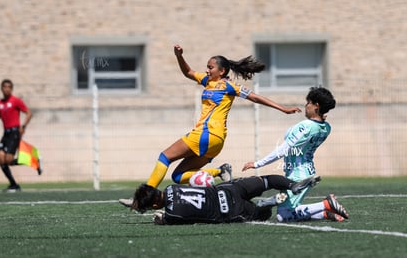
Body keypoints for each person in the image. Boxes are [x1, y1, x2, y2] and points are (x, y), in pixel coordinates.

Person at [145, 44, 301, 190]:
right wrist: (179, 56)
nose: (207, 70)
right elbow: (188, 72)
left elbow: (255, 97)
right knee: (178, 176)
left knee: (164, 157)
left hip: (205, 134)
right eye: (207, 67)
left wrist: (283, 108)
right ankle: (220, 171)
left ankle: (143, 196)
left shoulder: (229, 86)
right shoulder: (207, 81)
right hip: (216, 141)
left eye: (210, 67)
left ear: (222, 71)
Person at [243, 86, 349, 222]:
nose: (306, 106)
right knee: (289, 211)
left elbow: (283, 150)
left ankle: (326, 204)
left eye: (308, 103)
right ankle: (324, 213)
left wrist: (257, 163)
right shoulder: (326, 127)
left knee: (283, 216)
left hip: (298, 176)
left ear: (316, 105)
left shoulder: (306, 126)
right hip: (307, 172)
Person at [120, 174, 320, 225]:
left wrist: (161, 221)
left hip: (229, 211)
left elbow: (179, 216)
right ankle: (291, 184)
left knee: (263, 214)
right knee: (266, 181)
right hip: (228, 189)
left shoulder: (171, 215)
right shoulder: (172, 187)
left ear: (155, 205)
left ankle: (265, 204)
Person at [0, 79, 32, 192]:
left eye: (9, 87)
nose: (6, 89)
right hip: (6, 133)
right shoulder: (0, 103)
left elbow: (28, 113)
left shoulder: (16, 101)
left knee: (8, 160)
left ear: (11, 89)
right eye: (4, 87)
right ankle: (14, 185)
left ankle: (32, 159)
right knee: (0, 159)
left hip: (14, 133)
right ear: (1, 88)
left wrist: (23, 127)